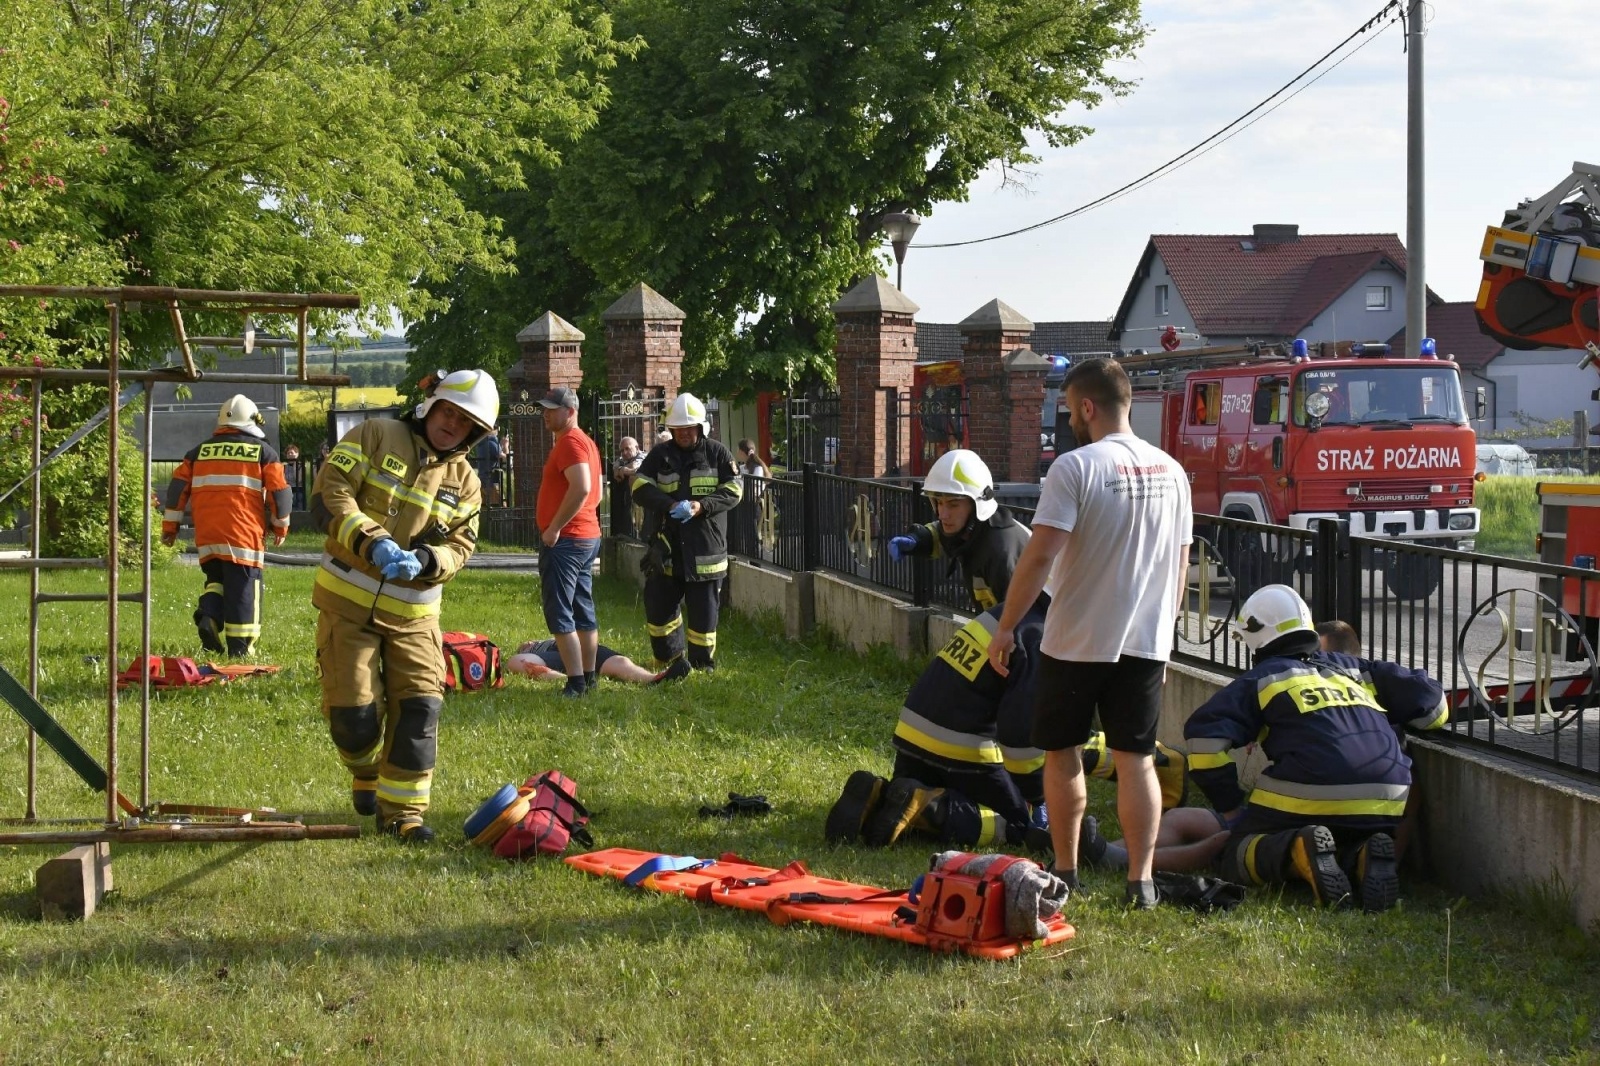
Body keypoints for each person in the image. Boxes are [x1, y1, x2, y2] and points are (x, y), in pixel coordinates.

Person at [986, 357, 1193, 910]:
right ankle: (1141, 882)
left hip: (1076, 640)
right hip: (1144, 643)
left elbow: (1038, 557)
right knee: (1137, 758)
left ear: (1087, 406)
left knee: (1062, 753)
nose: (1069, 421)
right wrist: (1164, 641)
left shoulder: (1074, 468)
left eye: (1069, 409)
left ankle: (1067, 871)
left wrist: (1006, 627)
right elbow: (1180, 564)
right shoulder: (1172, 472)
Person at [827, 594, 1188, 852]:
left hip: (913, 739)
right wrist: (1036, 798)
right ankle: (929, 810)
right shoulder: (1046, 636)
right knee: (1022, 827)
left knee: (1060, 745)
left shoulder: (1013, 614)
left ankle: (888, 797)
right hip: (964, 748)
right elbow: (1022, 738)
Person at [310, 368, 497, 844]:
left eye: (465, 421)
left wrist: (429, 559)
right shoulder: (375, 433)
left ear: (476, 433)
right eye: (448, 411)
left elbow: (462, 546)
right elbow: (330, 490)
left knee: (420, 708)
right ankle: (365, 769)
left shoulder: (467, 482)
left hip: (415, 617)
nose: (453, 424)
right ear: (431, 406)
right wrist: (370, 542)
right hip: (347, 606)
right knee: (354, 723)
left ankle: (403, 815)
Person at [1184, 585, 1449, 911]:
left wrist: (1231, 808)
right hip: (1386, 800)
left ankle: (1295, 851)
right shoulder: (1355, 669)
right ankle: (1360, 858)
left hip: (1308, 791)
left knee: (1234, 853)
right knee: (1340, 838)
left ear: (1256, 636)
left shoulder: (1263, 678)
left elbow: (1203, 742)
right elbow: (1433, 703)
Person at [161, 395, 291, 658]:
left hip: (208, 535)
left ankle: (209, 616)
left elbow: (177, 491)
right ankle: (240, 649)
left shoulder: (198, 452)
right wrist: (280, 527)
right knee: (244, 588)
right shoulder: (263, 452)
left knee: (216, 580)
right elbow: (280, 493)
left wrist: (170, 528)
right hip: (243, 534)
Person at [632, 393, 742, 671]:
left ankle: (701, 665)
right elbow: (639, 488)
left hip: (705, 550)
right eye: (677, 429)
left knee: (704, 616)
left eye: (688, 428)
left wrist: (701, 506)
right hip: (666, 548)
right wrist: (669, 504)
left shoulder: (717, 454)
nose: (682, 434)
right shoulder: (660, 455)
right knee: (658, 609)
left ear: (700, 428)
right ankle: (669, 660)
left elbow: (734, 490)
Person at [887, 449, 1031, 613]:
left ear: (977, 505)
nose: (943, 514)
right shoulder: (977, 529)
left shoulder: (1001, 552)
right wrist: (918, 540)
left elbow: (1018, 620)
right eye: (939, 503)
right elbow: (945, 537)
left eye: (953, 504)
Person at [536, 387, 604, 698]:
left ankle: (576, 682)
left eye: (552, 408)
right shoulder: (587, 442)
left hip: (567, 539)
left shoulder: (570, 442)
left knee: (561, 610)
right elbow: (598, 494)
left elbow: (582, 488)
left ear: (571, 412)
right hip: (586, 535)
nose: (546, 413)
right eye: (545, 408)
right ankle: (588, 679)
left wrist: (554, 528)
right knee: (582, 607)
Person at [507, 639, 691, 686]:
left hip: (580, 645)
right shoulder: (536, 651)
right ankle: (570, 680)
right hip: (555, 655)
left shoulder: (547, 640)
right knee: (517, 661)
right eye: (525, 645)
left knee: (618, 662)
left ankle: (652, 678)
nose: (528, 644)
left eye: (528, 644)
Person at [733, 438, 768, 554]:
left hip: (752, 503)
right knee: (747, 532)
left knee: (751, 533)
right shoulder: (744, 467)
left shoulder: (757, 468)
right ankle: (749, 555)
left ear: (743, 452)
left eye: (739, 450)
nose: (737, 453)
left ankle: (754, 558)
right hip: (745, 502)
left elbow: (755, 486)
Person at [610, 436, 643, 538]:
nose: (624, 452)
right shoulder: (622, 460)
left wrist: (621, 470)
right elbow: (615, 464)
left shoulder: (643, 456)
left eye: (627, 448)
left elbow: (635, 467)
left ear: (637, 448)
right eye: (622, 450)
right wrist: (618, 469)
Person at [475, 426, 504, 506]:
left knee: (485, 508)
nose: (497, 431)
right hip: (491, 480)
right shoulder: (491, 441)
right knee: (501, 506)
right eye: (496, 429)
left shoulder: (482, 442)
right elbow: (503, 458)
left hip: (482, 478)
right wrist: (506, 446)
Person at [282, 443, 306, 511]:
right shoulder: (284, 466)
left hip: (298, 492)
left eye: (292, 453)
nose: (290, 455)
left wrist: (295, 465)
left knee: (299, 511)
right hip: (287, 492)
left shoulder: (300, 465)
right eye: (288, 453)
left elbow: (298, 479)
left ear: (297, 454)